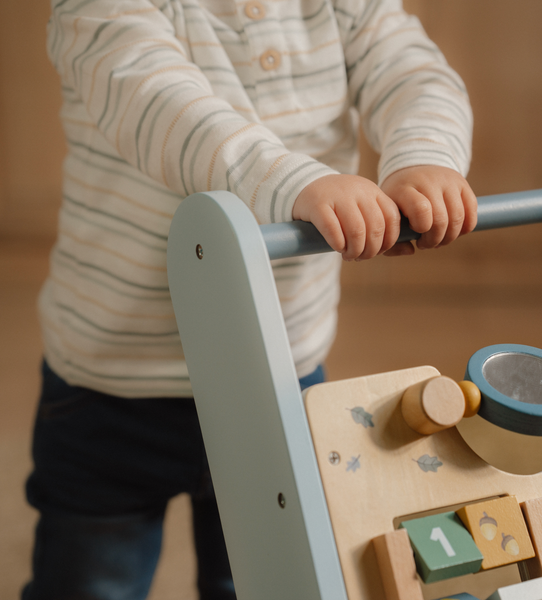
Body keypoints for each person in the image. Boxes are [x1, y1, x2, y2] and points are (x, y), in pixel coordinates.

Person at [25, 0, 476, 598]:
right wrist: (292, 182)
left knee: (269, 579)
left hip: (279, 376)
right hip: (114, 387)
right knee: (87, 583)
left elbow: (413, 73)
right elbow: (162, 105)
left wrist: (425, 155)